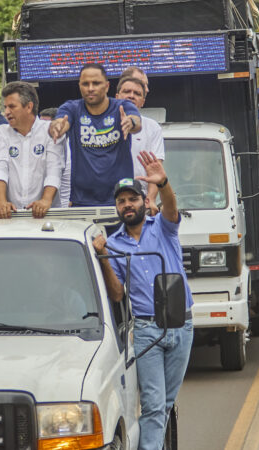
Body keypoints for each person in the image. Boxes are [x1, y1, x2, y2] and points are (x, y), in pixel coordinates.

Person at [93, 151, 193, 450]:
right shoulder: (112, 244)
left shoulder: (163, 226)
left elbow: (172, 207)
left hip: (182, 324)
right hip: (148, 331)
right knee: (152, 404)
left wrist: (162, 182)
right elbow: (117, 294)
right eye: (122, 201)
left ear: (144, 202)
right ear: (117, 207)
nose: (127, 205)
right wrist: (103, 257)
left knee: (164, 404)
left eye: (132, 199)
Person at [49, 63, 142, 206]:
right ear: (79, 86)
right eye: (85, 84)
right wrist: (57, 126)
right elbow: (61, 122)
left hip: (121, 199)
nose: (90, 88)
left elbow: (137, 122)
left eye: (96, 83)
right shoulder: (72, 108)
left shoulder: (122, 106)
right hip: (82, 201)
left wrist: (131, 123)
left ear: (107, 86)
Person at [0, 81, 64, 219]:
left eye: (12, 106)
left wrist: (45, 201)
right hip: (12, 215)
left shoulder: (50, 130)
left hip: (47, 215)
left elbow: (54, 169)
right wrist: (1, 202)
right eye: (5, 107)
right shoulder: (1, 132)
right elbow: (0, 167)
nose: (6, 112)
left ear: (29, 106)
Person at [116, 76, 165, 215]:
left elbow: (156, 169)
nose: (131, 96)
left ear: (143, 101)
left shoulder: (152, 127)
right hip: (108, 199)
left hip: (139, 199)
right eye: (127, 91)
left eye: (137, 94)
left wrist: (150, 199)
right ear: (117, 96)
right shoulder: (102, 124)